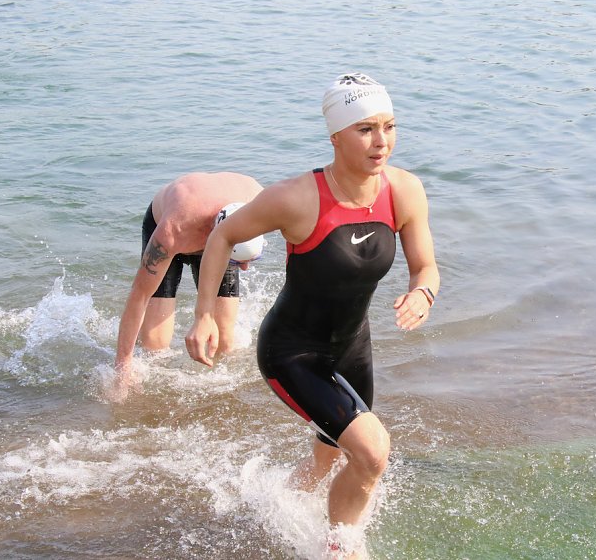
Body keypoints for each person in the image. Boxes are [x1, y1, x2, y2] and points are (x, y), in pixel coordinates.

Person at [185, 73, 439, 557]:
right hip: (292, 352)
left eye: (389, 126)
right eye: (365, 129)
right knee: (371, 454)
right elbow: (221, 238)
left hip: (352, 348)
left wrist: (423, 293)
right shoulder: (297, 198)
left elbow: (425, 266)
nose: (381, 141)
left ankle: (275, 504)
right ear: (336, 136)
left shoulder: (403, 191)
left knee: (331, 458)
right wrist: (204, 316)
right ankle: (339, 547)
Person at [112, 171, 264, 400]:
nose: (243, 269)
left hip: (220, 232)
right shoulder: (172, 232)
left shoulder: (262, 203)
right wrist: (122, 367)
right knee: (155, 346)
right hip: (177, 222)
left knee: (225, 342)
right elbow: (140, 295)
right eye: (239, 262)